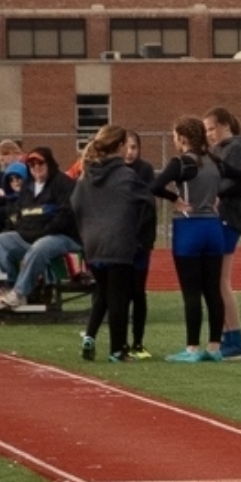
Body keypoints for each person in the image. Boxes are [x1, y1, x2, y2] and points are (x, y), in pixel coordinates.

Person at [153, 116, 241, 362]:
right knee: (212, 290)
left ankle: (192, 348)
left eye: (176, 136)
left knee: (191, 292)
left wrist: (174, 199)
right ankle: (215, 347)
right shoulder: (215, 161)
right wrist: (219, 194)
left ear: (183, 138)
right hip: (213, 228)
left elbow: (154, 186)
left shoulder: (181, 163)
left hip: (189, 227)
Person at [71, 125, 150, 363]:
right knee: (119, 298)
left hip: (93, 244)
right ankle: (118, 349)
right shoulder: (126, 175)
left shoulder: (86, 175)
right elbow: (146, 200)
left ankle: (91, 336)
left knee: (102, 293)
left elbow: (75, 204)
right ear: (118, 147)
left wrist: (87, 229)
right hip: (118, 242)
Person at [0, 145, 80, 311]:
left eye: (40, 163)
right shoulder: (27, 187)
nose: (36, 167)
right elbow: (19, 217)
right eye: (31, 164)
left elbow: (64, 218)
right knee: (2, 240)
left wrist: (40, 233)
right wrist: (20, 232)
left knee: (43, 244)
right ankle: (8, 289)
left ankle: (19, 293)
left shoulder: (64, 184)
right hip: (33, 237)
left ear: (50, 163)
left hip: (63, 238)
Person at [204, 107, 241, 360]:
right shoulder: (222, 149)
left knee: (221, 281)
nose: (209, 134)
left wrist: (217, 195)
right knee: (215, 281)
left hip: (228, 217)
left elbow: (238, 180)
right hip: (220, 216)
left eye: (212, 128)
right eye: (206, 130)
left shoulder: (235, 148)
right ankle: (227, 336)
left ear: (225, 124)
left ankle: (235, 338)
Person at [120, 130, 156, 358]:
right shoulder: (112, 171)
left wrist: (139, 238)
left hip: (140, 241)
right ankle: (120, 342)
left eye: (134, 147)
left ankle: (138, 342)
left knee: (138, 292)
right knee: (119, 293)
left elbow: (147, 206)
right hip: (117, 242)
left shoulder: (145, 171)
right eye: (126, 147)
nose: (130, 152)